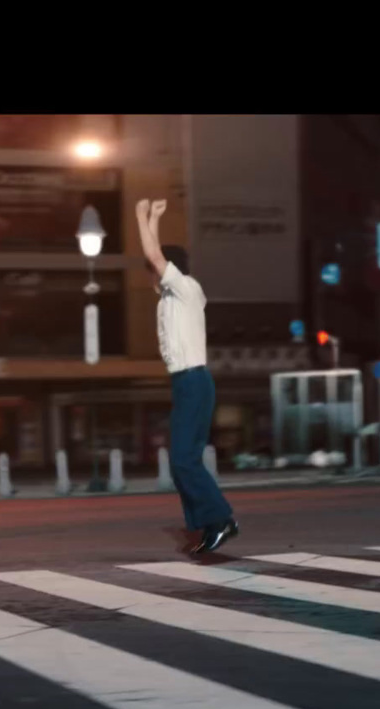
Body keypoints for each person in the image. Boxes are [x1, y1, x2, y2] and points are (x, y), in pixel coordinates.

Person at [136, 198, 239, 554]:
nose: (151, 274)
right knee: (184, 461)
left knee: (181, 459)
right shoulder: (169, 298)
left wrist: (142, 216)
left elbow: (155, 255)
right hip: (185, 384)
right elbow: (156, 255)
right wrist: (155, 219)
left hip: (194, 381)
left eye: (155, 269)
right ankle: (209, 526)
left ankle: (221, 518)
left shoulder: (186, 289)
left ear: (170, 268)